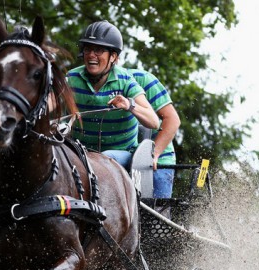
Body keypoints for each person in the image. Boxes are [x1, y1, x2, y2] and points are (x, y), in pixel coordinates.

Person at [66, 21, 160, 173]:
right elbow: (49, 102)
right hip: (81, 153)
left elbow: (154, 122)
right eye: (88, 49)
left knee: (103, 158)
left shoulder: (125, 81)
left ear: (113, 57)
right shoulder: (71, 78)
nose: (91, 55)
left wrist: (130, 105)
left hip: (120, 156)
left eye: (98, 50)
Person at [129, 69, 181, 198]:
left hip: (158, 157)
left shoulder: (143, 79)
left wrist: (154, 154)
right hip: (122, 153)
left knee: (157, 210)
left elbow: (172, 120)